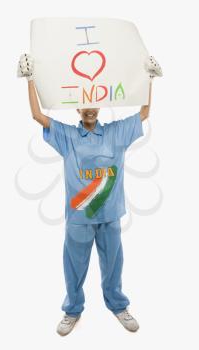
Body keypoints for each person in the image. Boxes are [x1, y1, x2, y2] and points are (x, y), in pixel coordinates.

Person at [17, 53, 162, 336]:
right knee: (74, 268)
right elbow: (37, 116)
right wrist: (30, 77)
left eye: (94, 104)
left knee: (113, 267)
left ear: (100, 105)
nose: (90, 110)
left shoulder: (117, 133)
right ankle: (72, 311)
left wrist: (150, 78)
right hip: (79, 218)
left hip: (110, 217)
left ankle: (118, 305)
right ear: (77, 109)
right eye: (84, 105)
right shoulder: (67, 135)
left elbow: (144, 114)